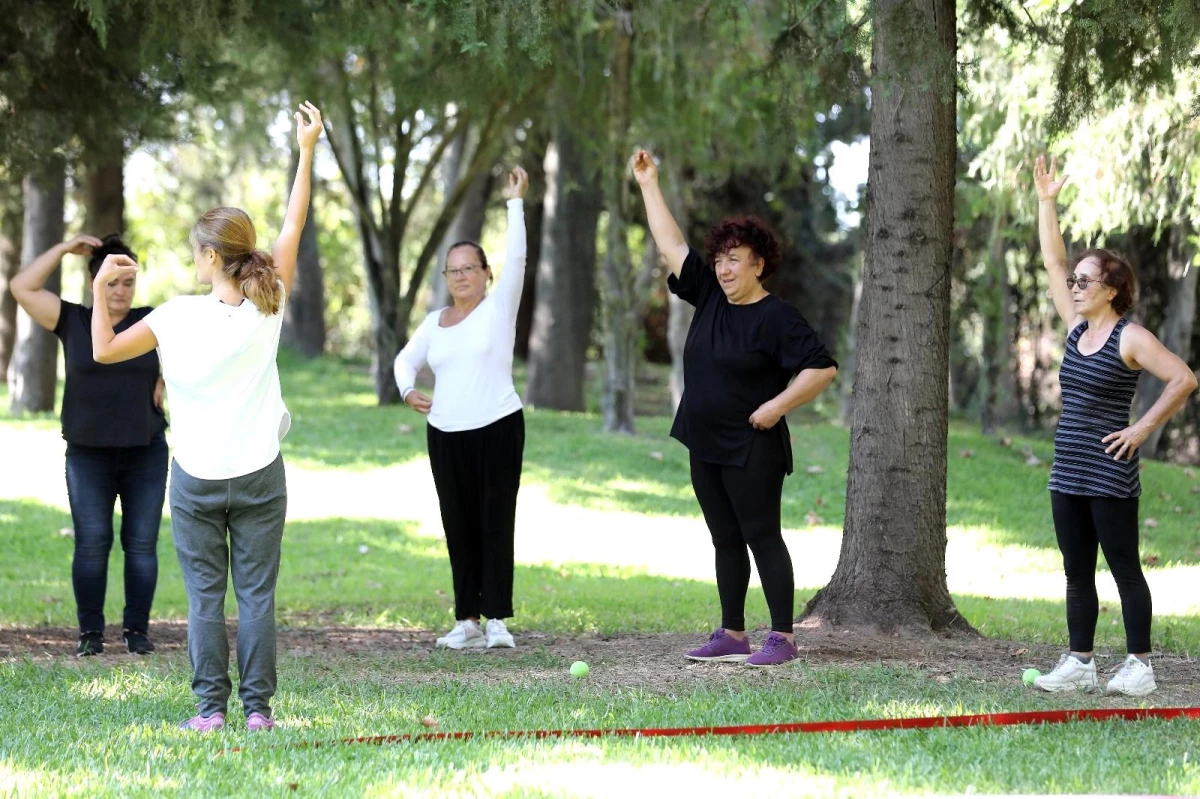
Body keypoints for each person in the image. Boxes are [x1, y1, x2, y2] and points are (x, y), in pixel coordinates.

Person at [89, 101, 324, 731]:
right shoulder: (267, 307)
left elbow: (104, 349)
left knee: (204, 600)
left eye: (199, 252)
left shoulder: (172, 316)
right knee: (256, 600)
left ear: (212, 258)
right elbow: (294, 226)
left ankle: (209, 712)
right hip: (259, 476)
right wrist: (306, 149)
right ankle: (258, 713)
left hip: (194, 480)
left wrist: (95, 292)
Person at [631, 150, 838, 667]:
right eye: (719, 259)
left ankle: (784, 639)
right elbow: (671, 243)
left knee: (761, 536)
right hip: (704, 437)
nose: (723, 268)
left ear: (758, 264)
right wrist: (649, 184)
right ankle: (732, 633)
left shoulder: (777, 317)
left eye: (734, 259)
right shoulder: (709, 297)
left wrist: (776, 407)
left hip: (753, 443)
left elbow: (821, 368)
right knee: (724, 538)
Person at [1031, 154, 1197, 696]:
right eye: (1076, 280)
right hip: (1068, 466)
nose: (1075, 285)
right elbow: (1054, 264)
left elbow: (1183, 378)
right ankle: (1080, 663)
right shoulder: (1077, 328)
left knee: (1124, 567)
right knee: (1076, 570)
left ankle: (1140, 667)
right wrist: (1047, 202)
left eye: (1087, 280)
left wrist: (1141, 429)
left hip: (1110, 468)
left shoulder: (1131, 337)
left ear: (1111, 289)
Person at [10, 234, 168, 657]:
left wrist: (166, 376)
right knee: (92, 542)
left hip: (145, 452)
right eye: (110, 281)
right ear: (93, 282)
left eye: (127, 282)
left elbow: (194, 351)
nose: (119, 291)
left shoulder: (151, 322)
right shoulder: (72, 319)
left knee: (140, 544)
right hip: (88, 455)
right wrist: (62, 249)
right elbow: (20, 287)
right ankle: (91, 635)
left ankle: (137, 632)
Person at [394, 166, 529, 651]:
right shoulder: (434, 321)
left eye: (470, 268)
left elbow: (517, 257)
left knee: (496, 521)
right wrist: (409, 391)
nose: (461, 276)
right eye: (453, 270)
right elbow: (404, 361)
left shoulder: (499, 308)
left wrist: (515, 202)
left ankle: (496, 620)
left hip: (497, 426)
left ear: (486, 273)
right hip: (445, 433)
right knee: (458, 523)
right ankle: (466, 621)